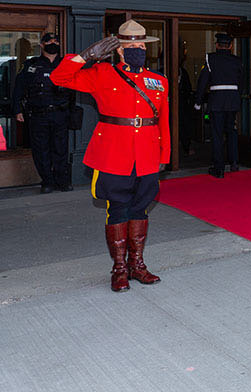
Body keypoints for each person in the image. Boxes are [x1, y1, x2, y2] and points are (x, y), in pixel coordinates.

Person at [51, 20, 169, 292]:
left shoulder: (158, 81)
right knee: (117, 208)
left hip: (147, 154)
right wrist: (85, 56)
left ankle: (137, 265)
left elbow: (162, 121)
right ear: (119, 50)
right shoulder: (101, 74)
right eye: (130, 45)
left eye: (141, 45)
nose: (137, 49)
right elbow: (59, 78)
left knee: (140, 207)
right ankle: (119, 269)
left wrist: (164, 154)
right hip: (113, 153)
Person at [11, 32, 76, 193]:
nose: (53, 43)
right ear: (42, 45)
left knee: (60, 148)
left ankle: (62, 181)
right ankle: (47, 181)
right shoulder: (31, 65)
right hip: (38, 115)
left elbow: (75, 90)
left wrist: (72, 111)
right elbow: (18, 89)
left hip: (60, 114)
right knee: (41, 149)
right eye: (49, 41)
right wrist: (17, 110)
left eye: (56, 41)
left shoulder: (66, 64)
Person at [195, 33, 243, 178]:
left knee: (217, 134)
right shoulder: (237, 60)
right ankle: (234, 163)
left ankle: (219, 168)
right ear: (230, 46)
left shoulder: (211, 58)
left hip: (216, 101)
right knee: (231, 132)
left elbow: (203, 82)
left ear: (217, 45)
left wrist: (198, 101)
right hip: (232, 101)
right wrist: (237, 96)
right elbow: (241, 82)